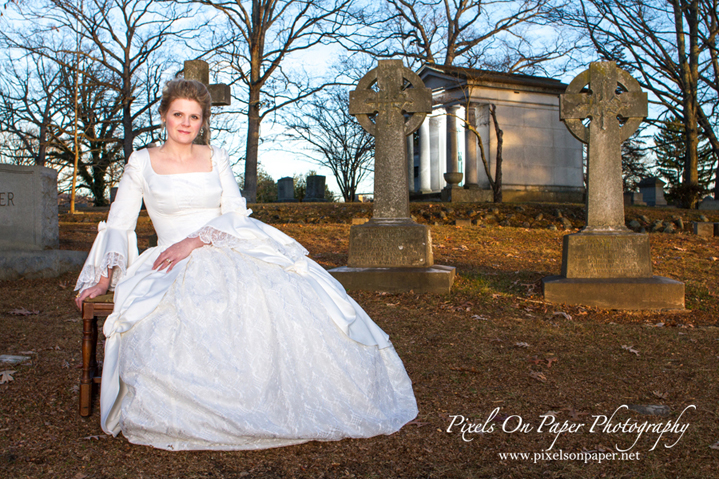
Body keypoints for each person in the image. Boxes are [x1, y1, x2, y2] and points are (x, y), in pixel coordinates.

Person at [74, 79, 418, 451]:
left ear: (203, 121)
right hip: (168, 257)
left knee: (273, 295)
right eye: (179, 114)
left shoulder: (215, 156)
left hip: (221, 243)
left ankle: (275, 390)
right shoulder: (142, 161)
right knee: (176, 314)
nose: (186, 123)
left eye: (194, 116)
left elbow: (235, 212)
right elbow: (120, 221)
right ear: (163, 116)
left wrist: (196, 241)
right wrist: (104, 276)